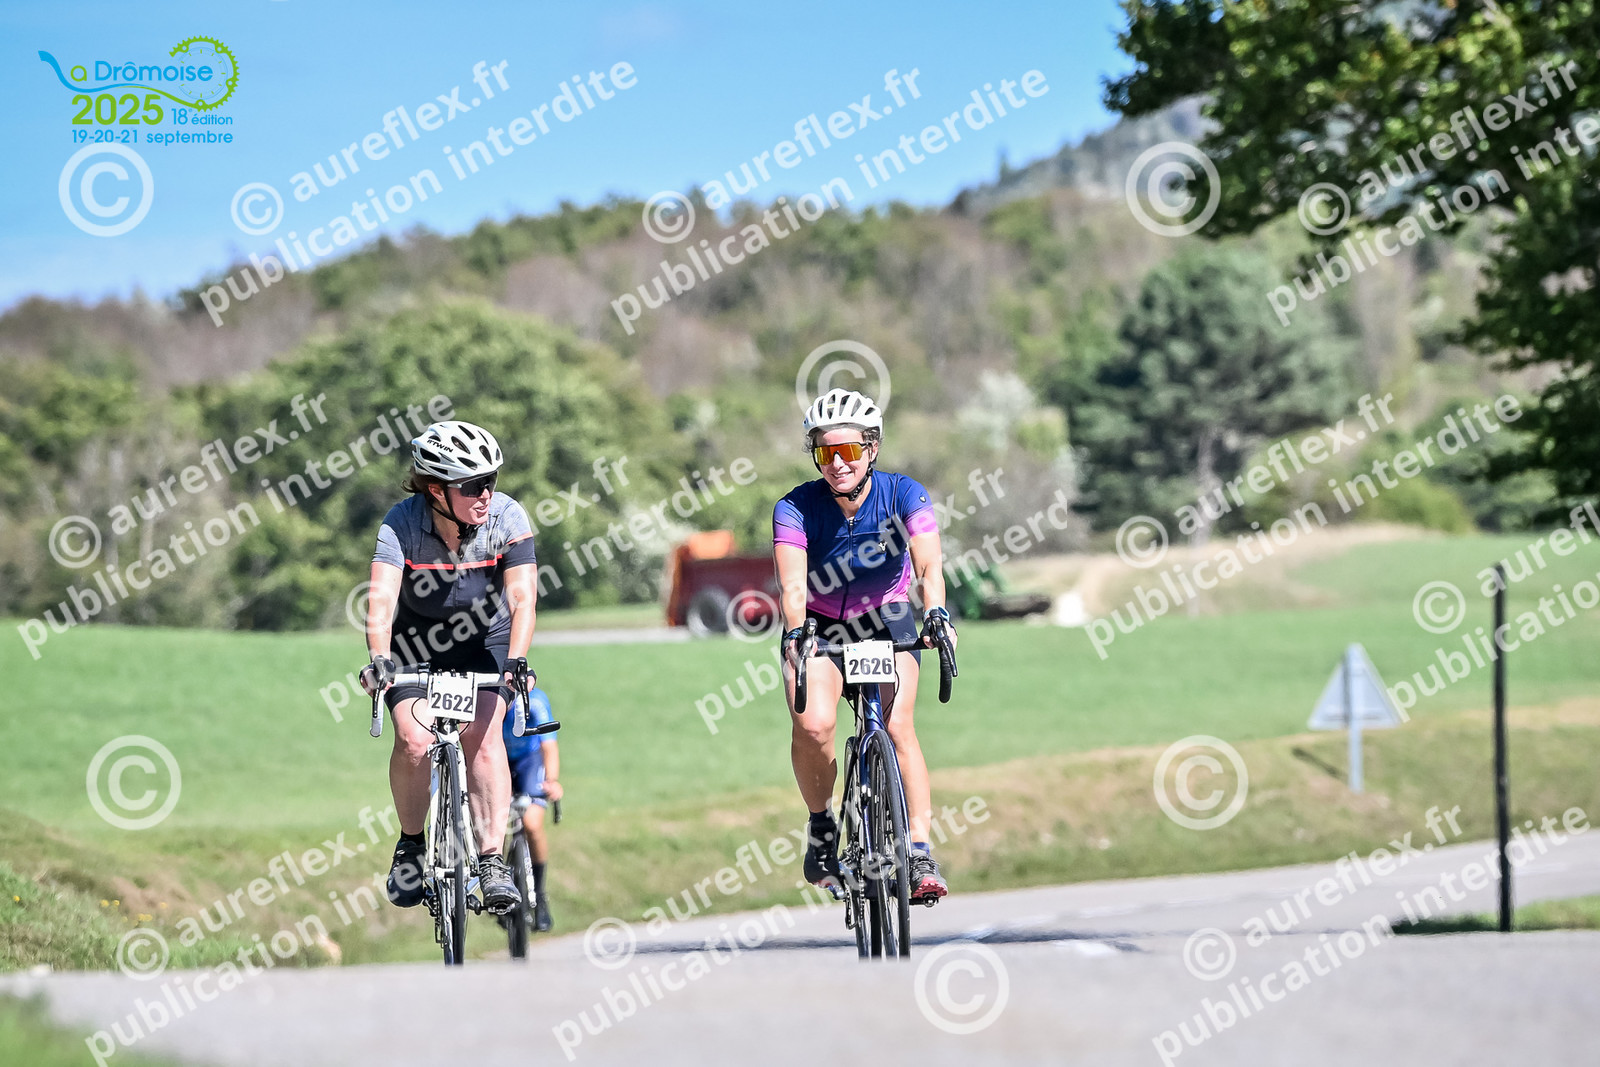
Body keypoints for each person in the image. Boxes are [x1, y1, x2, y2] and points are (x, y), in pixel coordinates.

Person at [773, 388, 958, 904]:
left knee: (898, 727)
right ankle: (822, 827)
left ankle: (918, 852)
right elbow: (792, 583)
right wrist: (796, 630)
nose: (837, 463)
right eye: (825, 452)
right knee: (814, 724)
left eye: (849, 450)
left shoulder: (905, 494)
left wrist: (936, 612)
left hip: (887, 617)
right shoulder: (795, 507)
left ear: (872, 448)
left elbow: (929, 565)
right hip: (819, 623)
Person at [358, 420, 539, 915]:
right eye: (473, 485)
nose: (486, 494)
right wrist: (378, 659)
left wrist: (517, 661)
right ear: (437, 490)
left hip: (488, 640)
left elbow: (523, 598)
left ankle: (492, 860)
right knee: (413, 740)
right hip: (415, 643)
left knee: (483, 736)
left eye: (490, 481)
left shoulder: (506, 516)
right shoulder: (401, 524)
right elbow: (380, 601)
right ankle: (411, 846)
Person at [502, 686, 562, 931]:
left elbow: (549, 746)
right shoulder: (490, 696)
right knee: (492, 823)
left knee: (532, 824)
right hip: (499, 758)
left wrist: (552, 781)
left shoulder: (535, 700)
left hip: (529, 760)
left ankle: (540, 894)